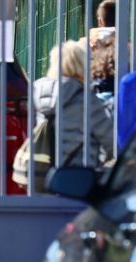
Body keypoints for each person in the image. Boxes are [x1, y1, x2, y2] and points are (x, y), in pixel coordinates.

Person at [33, 41, 114, 184]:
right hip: (77, 177)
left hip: (38, 173)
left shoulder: (36, 92)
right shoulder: (86, 99)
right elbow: (110, 140)